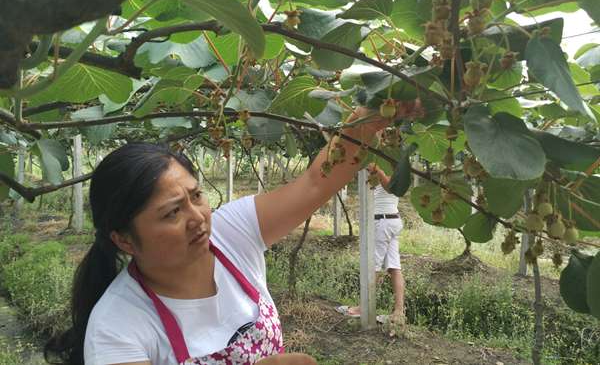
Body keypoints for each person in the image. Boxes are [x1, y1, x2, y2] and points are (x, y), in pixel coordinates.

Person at [44, 102, 420, 365]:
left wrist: (371, 116)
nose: (197, 218)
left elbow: (314, 183)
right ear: (124, 239)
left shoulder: (229, 234)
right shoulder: (117, 326)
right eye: (172, 212)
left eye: (196, 196)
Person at [336, 163, 405, 325]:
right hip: (390, 220)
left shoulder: (391, 166)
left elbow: (390, 187)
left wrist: (378, 169)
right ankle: (399, 313)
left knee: (372, 266)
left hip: (383, 222)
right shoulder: (395, 164)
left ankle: (364, 308)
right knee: (394, 268)